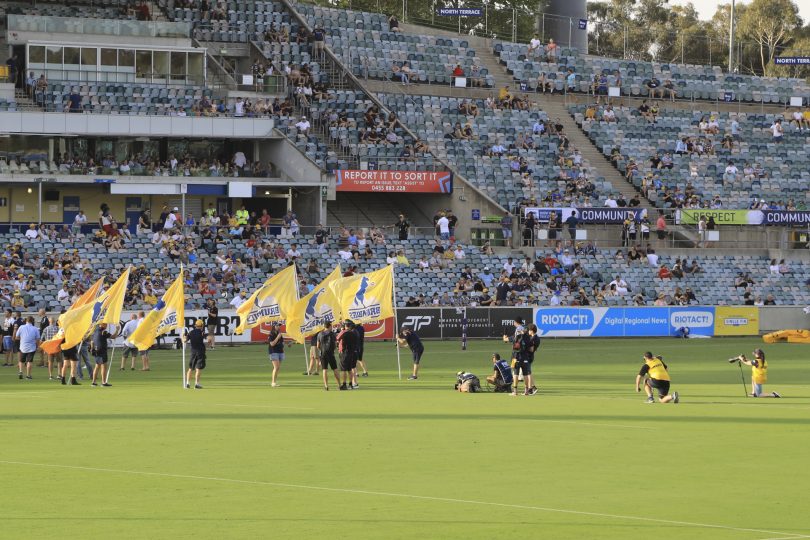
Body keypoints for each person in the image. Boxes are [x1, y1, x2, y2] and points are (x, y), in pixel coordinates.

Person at [316, 320, 340, 391]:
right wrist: (333, 350)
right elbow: (335, 345)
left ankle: (326, 386)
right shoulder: (332, 334)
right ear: (329, 326)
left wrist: (322, 349)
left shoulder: (320, 334)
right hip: (331, 354)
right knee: (335, 369)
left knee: (324, 370)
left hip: (323, 354)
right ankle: (339, 384)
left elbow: (317, 345)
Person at [90, 322, 115, 387]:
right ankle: (103, 382)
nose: (106, 325)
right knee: (104, 366)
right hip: (102, 351)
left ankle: (94, 382)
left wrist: (92, 349)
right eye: (104, 324)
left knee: (97, 366)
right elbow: (114, 336)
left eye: (106, 324)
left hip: (96, 350)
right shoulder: (103, 331)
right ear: (100, 324)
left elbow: (92, 341)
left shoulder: (95, 330)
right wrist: (117, 329)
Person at [184, 320, 207, 389]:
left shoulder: (191, 332)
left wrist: (183, 337)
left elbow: (185, 340)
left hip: (193, 352)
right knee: (198, 369)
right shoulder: (202, 332)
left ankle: (187, 383)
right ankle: (197, 384)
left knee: (190, 368)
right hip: (200, 352)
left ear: (195, 325)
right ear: (202, 326)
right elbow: (208, 339)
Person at [16, 316, 41, 380]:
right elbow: (38, 339)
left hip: (23, 346)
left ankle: (21, 371)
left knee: (21, 361)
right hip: (31, 347)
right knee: (29, 361)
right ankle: (28, 375)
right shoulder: (35, 328)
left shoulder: (21, 327)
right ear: (32, 321)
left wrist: (23, 338)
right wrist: (38, 346)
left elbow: (17, 336)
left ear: (26, 320)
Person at [337, 320, 359, 390]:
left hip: (344, 352)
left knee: (343, 370)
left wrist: (341, 330)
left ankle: (344, 384)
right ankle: (350, 384)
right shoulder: (353, 333)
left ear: (345, 326)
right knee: (350, 369)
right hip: (351, 352)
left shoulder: (344, 332)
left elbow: (337, 338)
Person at [267, 322, 285, 387]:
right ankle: (273, 382)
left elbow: (282, 343)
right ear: (274, 326)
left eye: (279, 326)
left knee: (278, 368)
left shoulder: (279, 334)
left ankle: (275, 382)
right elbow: (272, 344)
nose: (278, 327)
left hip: (280, 351)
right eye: (277, 325)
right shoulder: (271, 334)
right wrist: (277, 337)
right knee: (276, 367)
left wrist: (287, 344)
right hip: (274, 352)